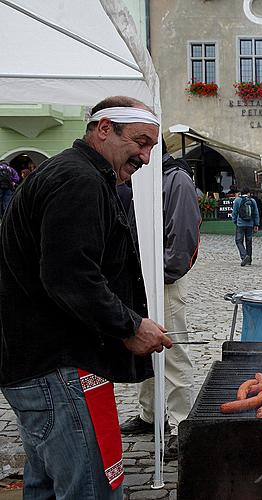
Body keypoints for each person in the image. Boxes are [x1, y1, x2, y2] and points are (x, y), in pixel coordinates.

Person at [0, 96, 172, 499]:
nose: (146, 157)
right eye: (140, 142)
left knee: (44, 487)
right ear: (104, 129)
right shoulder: (79, 179)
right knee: (90, 489)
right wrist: (130, 326)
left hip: (42, 362)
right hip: (56, 366)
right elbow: (70, 276)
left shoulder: (72, 172)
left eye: (151, 147)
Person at [119, 150, 201, 462]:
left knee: (173, 351)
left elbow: (184, 235)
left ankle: (180, 423)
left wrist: (163, 274)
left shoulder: (176, 179)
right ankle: (150, 414)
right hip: (140, 279)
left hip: (163, 280)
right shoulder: (139, 176)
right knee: (143, 347)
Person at [232, 187, 259, 266]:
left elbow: (234, 212)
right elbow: (256, 213)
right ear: (248, 193)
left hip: (240, 224)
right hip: (250, 224)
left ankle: (244, 256)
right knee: (249, 241)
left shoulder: (237, 200)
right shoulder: (252, 201)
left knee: (239, 241)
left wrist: (235, 221)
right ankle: (249, 259)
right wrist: (256, 224)